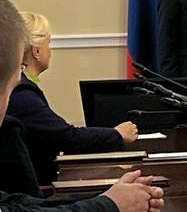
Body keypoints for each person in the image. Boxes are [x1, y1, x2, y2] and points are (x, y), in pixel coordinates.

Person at [0, 0, 164, 212]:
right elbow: (64, 136)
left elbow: (14, 204)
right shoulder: (23, 95)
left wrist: (110, 197)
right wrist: (111, 204)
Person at [5, 13, 137, 186]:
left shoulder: (20, 86)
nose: (50, 50)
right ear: (36, 51)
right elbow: (65, 137)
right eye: (48, 44)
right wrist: (117, 134)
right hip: (32, 191)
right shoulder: (21, 93)